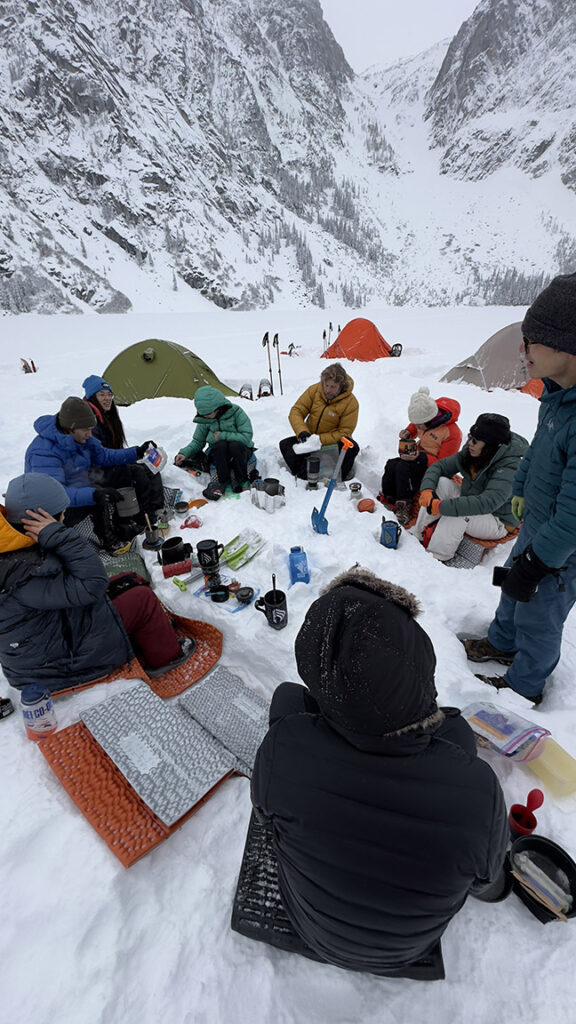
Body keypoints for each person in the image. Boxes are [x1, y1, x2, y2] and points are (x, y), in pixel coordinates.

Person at [250, 568, 508, 977]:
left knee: (286, 698)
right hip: (405, 950)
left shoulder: (282, 749)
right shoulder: (479, 792)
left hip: (311, 927)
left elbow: (267, 822)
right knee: (456, 727)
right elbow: (483, 883)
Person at [462, 272, 576, 706]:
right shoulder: (556, 395)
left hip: (563, 550)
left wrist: (542, 559)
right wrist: (523, 486)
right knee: (512, 588)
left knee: (540, 614)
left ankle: (524, 687)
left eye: (531, 341)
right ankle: (500, 642)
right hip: (537, 523)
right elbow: (537, 450)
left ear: (567, 344)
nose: (522, 351)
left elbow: (573, 515)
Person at [0, 474, 195, 692]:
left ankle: (144, 635)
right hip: (56, 666)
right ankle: (166, 658)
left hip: (50, 639)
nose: (65, 519)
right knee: (142, 599)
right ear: (45, 520)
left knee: (130, 580)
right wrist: (61, 536)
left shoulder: (12, 546)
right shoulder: (25, 570)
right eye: (63, 515)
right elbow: (93, 584)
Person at [24, 396, 155, 549]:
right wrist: (94, 495)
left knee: (125, 472)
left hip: (77, 485)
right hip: (50, 511)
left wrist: (136, 452)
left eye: (91, 430)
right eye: (86, 431)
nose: (89, 435)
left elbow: (104, 456)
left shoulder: (82, 436)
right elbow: (56, 494)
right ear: (70, 429)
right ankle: (108, 540)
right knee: (96, 498)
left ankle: (128, 523)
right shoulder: (43, 452)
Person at [412, 413, 528, 564]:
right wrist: (427, 490)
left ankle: (437, 557)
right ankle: (418, 537)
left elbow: (487, 503)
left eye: (475, 440)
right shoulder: (474, 449)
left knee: (458, 513)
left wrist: (441, 507)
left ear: (490, 446)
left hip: (497, 520)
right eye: (470, 436)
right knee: (441, 483)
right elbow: (439, 467)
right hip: (472, 497)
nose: (470, 443)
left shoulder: (511, 466)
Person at [82, 375, 165, 526]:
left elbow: (112, 451)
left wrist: (138, 453)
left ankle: (157, 509)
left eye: (109, 395)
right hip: (94, 473)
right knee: (137, 472)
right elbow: (101, 456)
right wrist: (134, 453)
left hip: (106, 464)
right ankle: (143, 516)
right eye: (102, 395)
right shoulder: (89, 422)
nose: (107, 398)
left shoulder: (105, 416)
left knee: (148, 467)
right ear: (92, 397)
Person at [380, 386, 461, 525]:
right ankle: (389, 497)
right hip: (418, 456)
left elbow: (445, 464)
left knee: (403, 469)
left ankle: (404, 506)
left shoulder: (452, 433)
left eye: (419, 425)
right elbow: (415, 423)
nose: (417, 427)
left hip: (433, 467)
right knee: (392, 464)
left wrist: (420, 457)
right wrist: (408, 432)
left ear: (430, 419)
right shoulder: (426, 411)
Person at [279, 363, 359, 482]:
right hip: (309, 440)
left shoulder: (351, 403)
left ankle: (339, 476)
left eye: (333, 387)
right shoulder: (314, 390)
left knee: (352, 448)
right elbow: (297, 411)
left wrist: (319, 440)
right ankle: (305, 476)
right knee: (285, 444)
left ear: (341, 386)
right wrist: (302, 432)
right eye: (326, 385)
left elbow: (345, 432)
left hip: (332, 443)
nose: (327, 390)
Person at [174, 386, 254, 500]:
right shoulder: (205, 418)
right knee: (220, 445)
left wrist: (223, 435)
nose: (204, 416)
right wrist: (184, 453)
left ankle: (243, 480)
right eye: (202, 414)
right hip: (219, 454)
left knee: (234, 445)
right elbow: (198, 441)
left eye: (207, 413)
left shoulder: (236, 412)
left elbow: (247, 436)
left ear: (217, 408)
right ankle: (223, 482)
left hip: (240, 452)